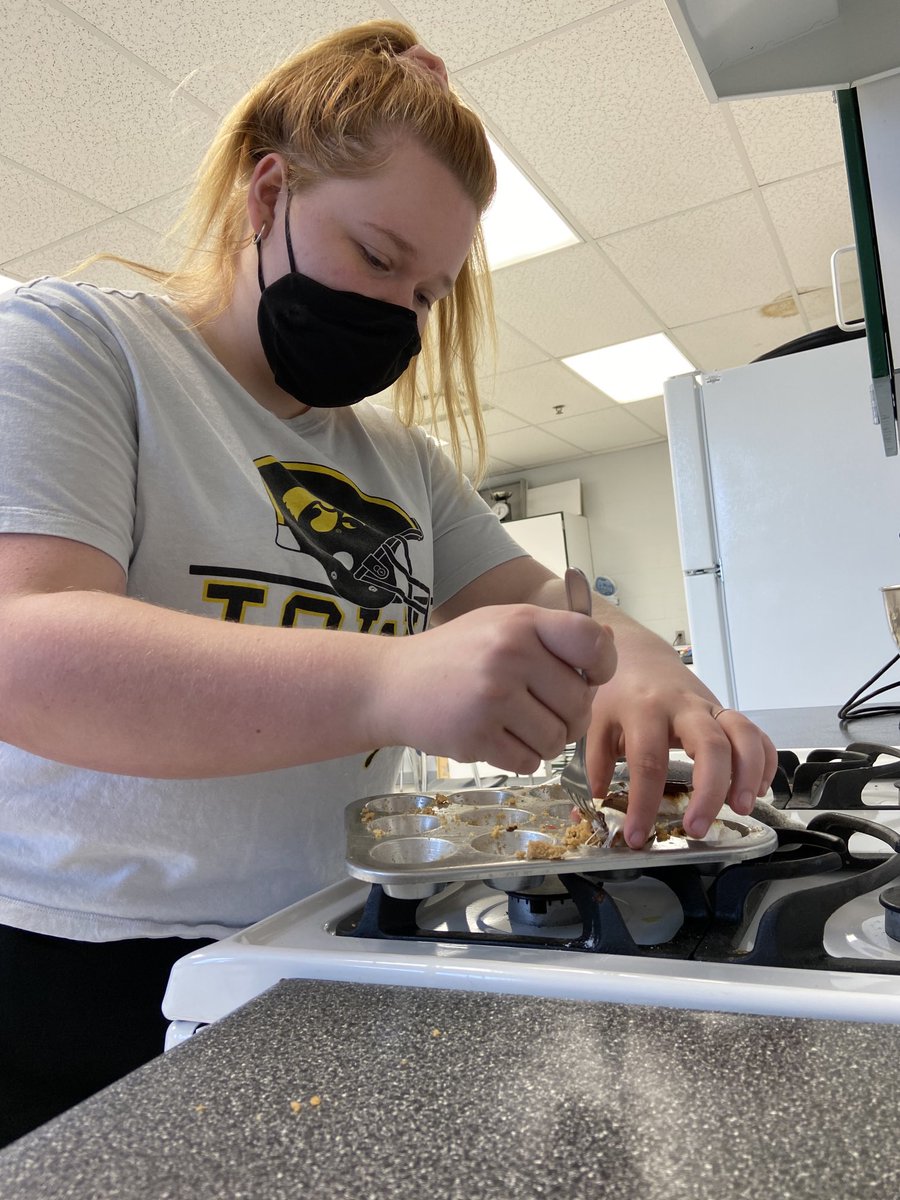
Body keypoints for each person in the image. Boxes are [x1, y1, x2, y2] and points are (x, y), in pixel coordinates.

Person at [0, 20, 776, 1145]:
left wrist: (661, 680)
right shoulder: (75, 347)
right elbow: (27, 651)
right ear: (268, 194)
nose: (401, 317)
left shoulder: (395, 461)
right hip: (71, 966)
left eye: (427, 293)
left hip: (310, 937)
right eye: (377, 257)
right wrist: (389, 681)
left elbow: (556, 599)